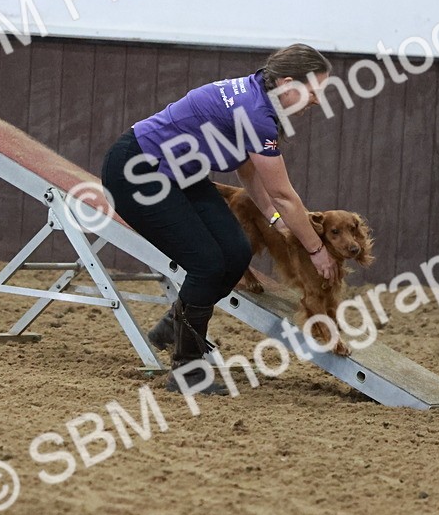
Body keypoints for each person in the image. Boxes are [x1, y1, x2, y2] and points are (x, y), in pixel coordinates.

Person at [100, 44, 338, 395]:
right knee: (209, 264)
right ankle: (187, 372)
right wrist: (316, 250)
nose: (318, 100)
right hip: (137, 174)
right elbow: (286, 196)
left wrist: (274, 220)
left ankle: (173, 327)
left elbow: (250, 175)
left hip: (178, 174)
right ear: (289, 84)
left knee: (237, 251)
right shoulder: (256, 111)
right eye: (315, 91)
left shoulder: (259, 96)